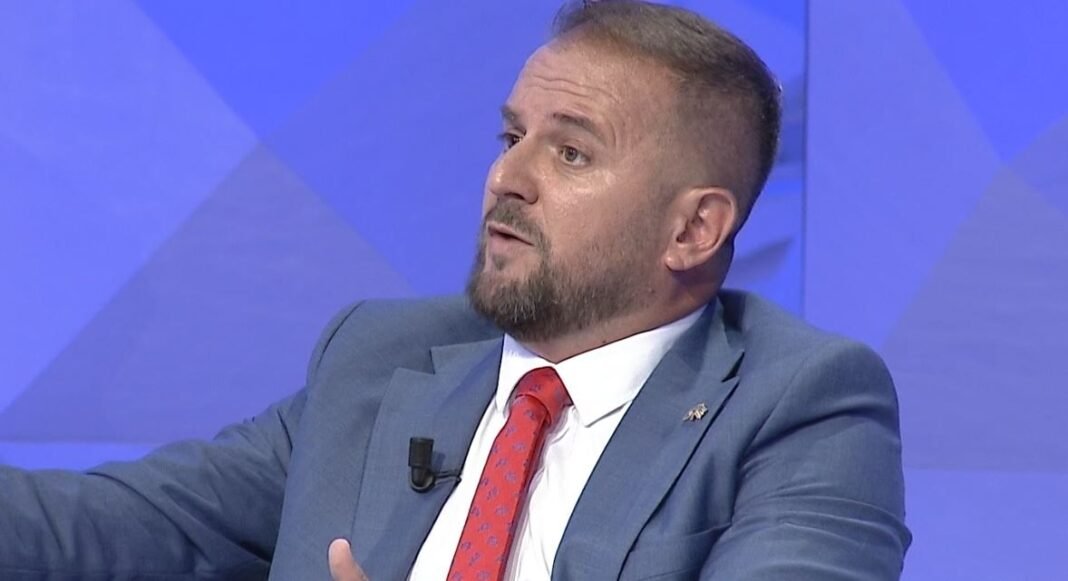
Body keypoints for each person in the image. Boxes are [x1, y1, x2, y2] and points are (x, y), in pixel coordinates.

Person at [0, 1, 910, 580]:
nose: (506, 177)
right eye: (511, 137)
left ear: (693, 230)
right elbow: (111, 527)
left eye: (571, 152)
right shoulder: (378, 360)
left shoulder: (803, 405)